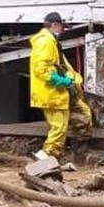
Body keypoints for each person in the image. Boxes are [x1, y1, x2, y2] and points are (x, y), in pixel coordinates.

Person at [29, 12, 89, 159]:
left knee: (82, 114)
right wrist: (59, 80)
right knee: (59, 127)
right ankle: (46, 156)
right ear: (55, 25)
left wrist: (70, 80)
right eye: (62, 27)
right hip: (51, 92)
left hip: (59, 92)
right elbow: (41, 68)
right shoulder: (45, 42)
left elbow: (57, 65)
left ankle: (69, 152)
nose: (62, 31)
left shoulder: (51, 42)